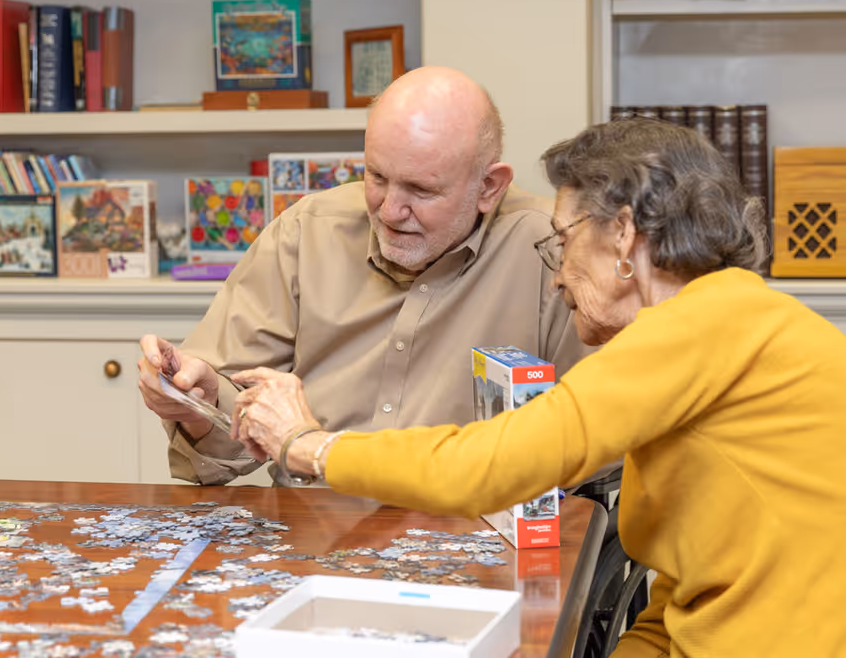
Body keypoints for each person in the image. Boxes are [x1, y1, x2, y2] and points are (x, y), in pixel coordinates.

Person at [230, 118, 846, 657]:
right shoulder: (723, 317)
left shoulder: (699, 326)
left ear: (624, 235)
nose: (555, 278)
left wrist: (306, 445)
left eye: (562, 238)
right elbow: (691, 592)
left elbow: (490, 466)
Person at [137, 66, 590, 486]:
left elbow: (590, 442)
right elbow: (228, 442)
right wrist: (203, 402)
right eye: (376, 176)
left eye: (421, 190)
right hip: (311, 536)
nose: (390, 211)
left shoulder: (556, 249)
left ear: (489, 187)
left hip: (478, 536)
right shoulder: (307, 231)